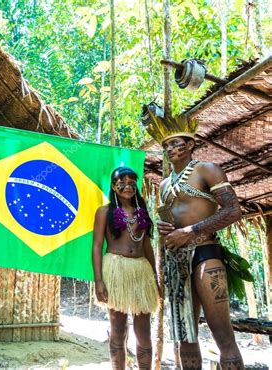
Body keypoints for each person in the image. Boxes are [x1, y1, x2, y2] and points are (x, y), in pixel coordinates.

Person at [147, 113, 244, 369]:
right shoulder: (165, 184)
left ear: (190, 143)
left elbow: (233, 211)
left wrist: (191, 230)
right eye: (166, 145)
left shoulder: (207, 169)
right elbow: (171, 222)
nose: (170, 148)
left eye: (175, 142)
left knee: (222, 333)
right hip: (176, 261)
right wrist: (166, 228)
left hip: (205, 253)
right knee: (185, 337)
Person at [92, 166, 158, 370]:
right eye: (122, 181)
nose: (127, 185)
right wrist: (99, 280)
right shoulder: (104, 212)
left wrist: (155, 278)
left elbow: (147, 245)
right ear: (113, 186)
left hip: (141, 271)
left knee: (144, 332)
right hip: (116, 269)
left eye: (131, 181)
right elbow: (96, 246)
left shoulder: (142, 211)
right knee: (118, 330)